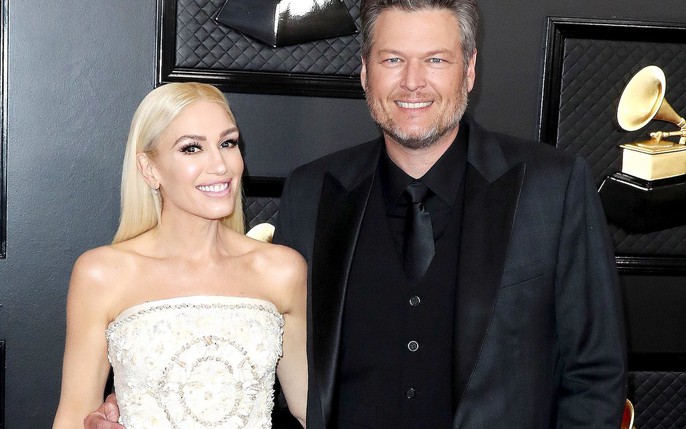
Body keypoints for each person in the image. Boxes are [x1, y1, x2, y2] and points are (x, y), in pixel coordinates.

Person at [86, 0, 628, 427]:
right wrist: (149, 395)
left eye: (435, 60)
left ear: (468, 71)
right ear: (365, 72)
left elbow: (595, 374)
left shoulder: (553, 186)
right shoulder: (312, 191)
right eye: (392, 60)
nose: (412, 81)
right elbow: (265, 359)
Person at [53, 82, 307, 429]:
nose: (220, 165)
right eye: (192, 148)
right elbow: (73, 417)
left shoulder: (281, 270)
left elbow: (312, 410)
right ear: (149, 169)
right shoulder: (102, 274)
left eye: (227, 143)